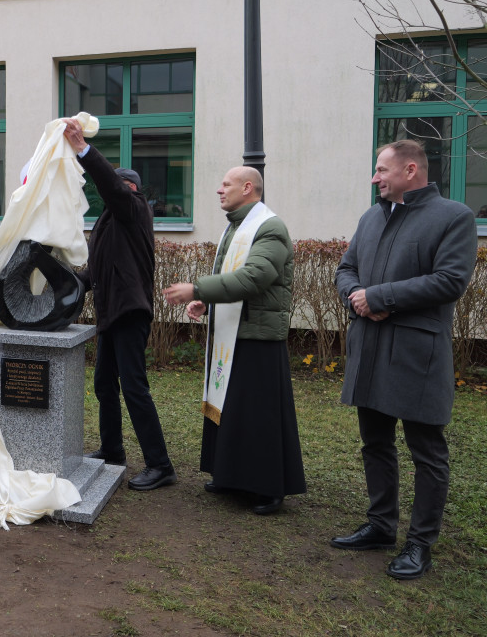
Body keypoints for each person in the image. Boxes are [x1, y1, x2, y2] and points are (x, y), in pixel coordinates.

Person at [332, 139, 476, 580]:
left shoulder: (454, 217)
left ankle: (420, 545)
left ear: (410, 170)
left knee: (427, 453)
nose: (375, 178)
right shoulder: (371, 217)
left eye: (382, 170)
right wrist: (356, 299)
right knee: (375, 443)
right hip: (370, 348)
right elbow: (345, 268)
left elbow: (450, 280)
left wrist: (380, 297)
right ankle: (380, 526)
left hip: (417, 356)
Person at [162, 166, 306, 515]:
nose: (218, 190)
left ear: (247, 187)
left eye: (225, 184)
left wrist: (196, 288)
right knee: (231, 410)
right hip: (235, 333)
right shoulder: (238, 225)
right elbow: (232, 278)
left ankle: (268, 487)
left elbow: (254, 277)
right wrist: (207, 302)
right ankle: (230, 475)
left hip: (258, 338)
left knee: (258, 415)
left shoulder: (270, 227)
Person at [62, 118, 176, 491]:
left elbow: (111, 186)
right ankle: (112, 451)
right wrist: (61, 283)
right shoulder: (109, 222)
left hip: (130, 313)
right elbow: (93, 273)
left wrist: (83, 150)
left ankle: (160, 465)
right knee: (104, 385)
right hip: (111, 315)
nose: (109, 193)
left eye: (118, 188)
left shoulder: (134, 209)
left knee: (134, 387)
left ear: (130, 190)